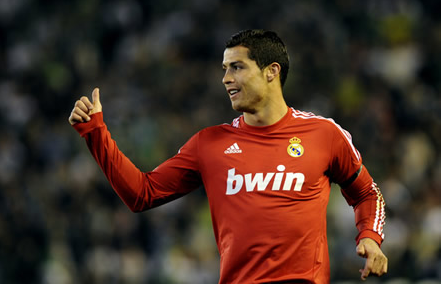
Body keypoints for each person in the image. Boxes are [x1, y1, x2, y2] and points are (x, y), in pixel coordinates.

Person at [69, 29, 388, 283]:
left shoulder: (324, 134)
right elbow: (141, 193)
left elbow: (366, 193)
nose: (225, 79)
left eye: (237, 67)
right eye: (224, 69)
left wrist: (370, 237)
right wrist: (95, 133)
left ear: (271, 72)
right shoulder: (209, 144)